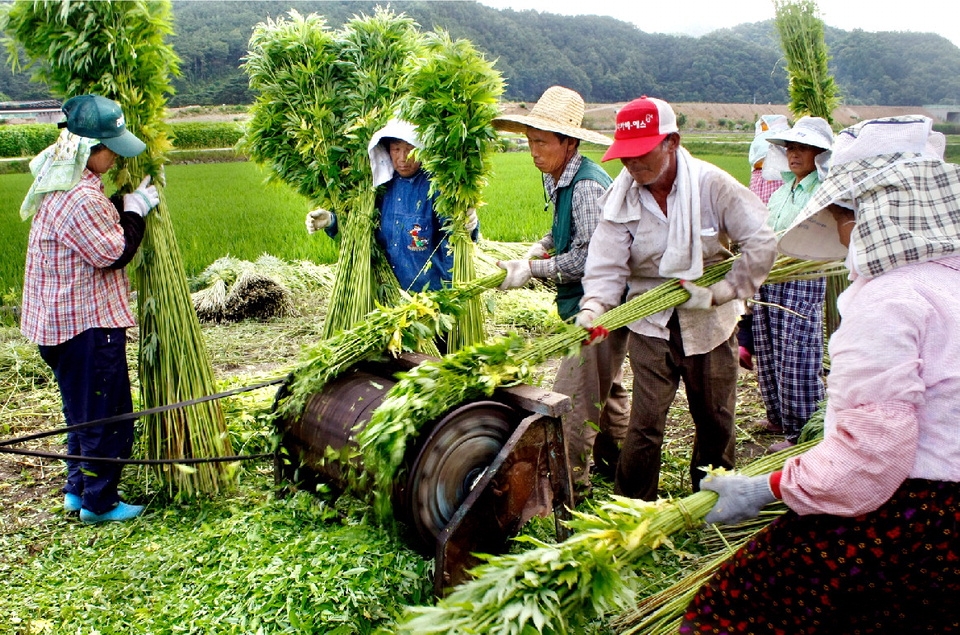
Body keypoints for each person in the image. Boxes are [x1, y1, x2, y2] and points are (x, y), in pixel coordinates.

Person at [683, 115, 959, 632]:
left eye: (839, 219)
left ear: (865, 220)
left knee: (728, 608)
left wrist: (767, 488)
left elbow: (871, 462)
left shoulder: (889, 301)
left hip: (913, 515)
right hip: (946, 531)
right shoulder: (949, 284)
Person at [577, 96, 777, 501]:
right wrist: (593, 309)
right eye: (625, 156)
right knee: (646, 423)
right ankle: (631, 508)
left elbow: (760, 240)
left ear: (671, 142)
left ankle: (714, 501)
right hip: (649, 321)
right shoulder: (622, 196)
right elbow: (606, 263)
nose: (632, 165)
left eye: (641, 153)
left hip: (710, 323)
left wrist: (725, 291)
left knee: (715, 420)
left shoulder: (711, 185)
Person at [20, 94, 159, 524]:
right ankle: (100, 503)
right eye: (110, 148)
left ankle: (78, 490)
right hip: (86, 327)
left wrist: (120, 205)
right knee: (103, 413)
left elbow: (91, 229)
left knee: (79, 410)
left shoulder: (57, 178)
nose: (115, 156)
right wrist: (135, 211)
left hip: (56, 324)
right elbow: (113, 252)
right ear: (89, 148)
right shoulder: (80, 195)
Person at [491, 86, 630, 493]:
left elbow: (590, 259)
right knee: (608, 387)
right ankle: (617, 462)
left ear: (569, 142)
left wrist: (533, 270)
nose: (533, 151)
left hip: (599, 308)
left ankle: (572, 487)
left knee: (574, 398)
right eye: (530, 141)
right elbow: (566, 232)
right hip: (589, 304)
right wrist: (544, 244)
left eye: (541, 142)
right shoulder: (562, 179)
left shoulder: (586, 186)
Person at [305, 119, 478, 295]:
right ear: (387, 150)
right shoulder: (376, 186)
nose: (403, 158)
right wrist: (331, 220)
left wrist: (468, 223)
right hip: (385, 293)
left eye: (410, 149)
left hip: (429, 295)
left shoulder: (436, 186)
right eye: (396, 149)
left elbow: (457, 233)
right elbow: (357, 227)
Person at [752, 116, 834, 451]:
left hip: (802, 276)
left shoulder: (823, 191)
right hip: (772, 275)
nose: (793, 154)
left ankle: (801, 431)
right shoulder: (783, 192)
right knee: (767, 346)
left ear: (819, 153)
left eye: (802, 148)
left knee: (797, 353)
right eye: (790, 148)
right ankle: (778, 416)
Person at [737, 115, 788, 371]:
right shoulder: (779, 166)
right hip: (776, 241)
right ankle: (749, 345)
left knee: (753, 300)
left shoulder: (758, 167)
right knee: (764, 302)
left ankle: (746, 344)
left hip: (759, 238)